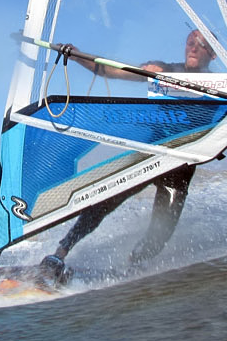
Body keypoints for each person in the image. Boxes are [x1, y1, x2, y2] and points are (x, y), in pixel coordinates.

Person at [39, 29, 216, 282]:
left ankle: (133, 267)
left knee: (161, 233)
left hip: (181, 169)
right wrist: (77, 56)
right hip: (150, 155)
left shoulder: (220, 86)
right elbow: (110, 70)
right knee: (104, 202)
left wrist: (169, 80)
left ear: (213, 53)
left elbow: (216, 110)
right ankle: (60, 253)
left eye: (200, 44)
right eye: (190, 43)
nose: (193, 48)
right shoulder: (162, 69)